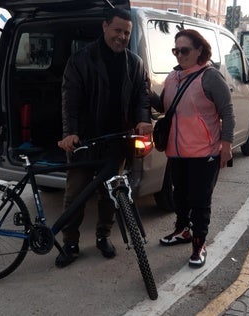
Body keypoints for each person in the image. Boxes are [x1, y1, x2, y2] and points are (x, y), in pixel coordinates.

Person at [56, 8, 153, 267]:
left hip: (116, 141)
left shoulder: (135, 63)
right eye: (117, 30)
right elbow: (70, 101)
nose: (122, 37)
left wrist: (143, 119)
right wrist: (70, 133)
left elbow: (142, 96)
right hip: (85, 142)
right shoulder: (81, 60)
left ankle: (103, 236)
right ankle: (70, 243)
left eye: (127, 33)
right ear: (104, 27)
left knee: (110, 194)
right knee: (75, 194)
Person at [155, 29, 235, 268]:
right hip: (177, 152)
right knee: (179, 197)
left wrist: (226, 146)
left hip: (204, 153)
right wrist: (145, 92)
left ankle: (199, 245)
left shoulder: (210, 77)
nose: (179, 55)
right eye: (176, 50)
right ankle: (183, 231)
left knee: (200, 202)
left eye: (185, 50)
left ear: (200, 49)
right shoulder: (172, 77)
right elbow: (164, 106)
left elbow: (228, 113)